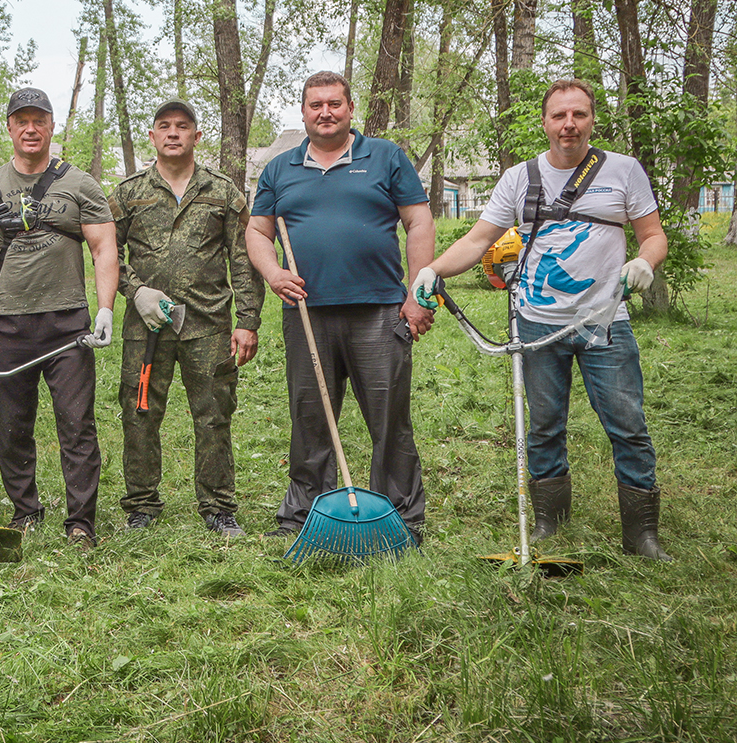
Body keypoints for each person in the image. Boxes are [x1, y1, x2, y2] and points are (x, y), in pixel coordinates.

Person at [410, 78, 672, 560]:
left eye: (578, 114)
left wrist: (645, 262)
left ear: (592, 119)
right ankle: (550, 522)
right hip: (536, 324)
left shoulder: (624, 171)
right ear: (546, 122)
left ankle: (642, 535)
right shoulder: (518, 178)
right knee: (544, 425)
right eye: (559, 115)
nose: (568, 124)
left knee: (627, 423)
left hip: (604, 321)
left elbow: (653, 235)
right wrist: (432, 268)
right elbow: (476, 240)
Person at [245, 71, 435, 543]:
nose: (325, 112)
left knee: (389, 417)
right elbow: (257, 231)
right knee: (309, 418)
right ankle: (305, 514)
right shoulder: (279, 168)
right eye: (315, 105)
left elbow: (418, 221)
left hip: (379, 310)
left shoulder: (386, 156)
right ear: (304, 111)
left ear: (350, 109)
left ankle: (400, 518)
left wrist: (418, 293)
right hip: (307, 313)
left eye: (334, 103)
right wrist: (273, 272)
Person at [0, 87, 119, 548]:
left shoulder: (81, 185)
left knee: (76, 426)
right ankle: (25, 512)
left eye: (39, 120)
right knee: (13, 428)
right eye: (21, 121)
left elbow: (103, 247)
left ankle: (80, 523)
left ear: (52, 126)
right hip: (7, 324)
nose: (30, 129)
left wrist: (107, 307)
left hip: (67, 325)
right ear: (9, 128)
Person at [110, 99, 262, 538]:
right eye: (164, 126)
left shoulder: (223, 192)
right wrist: (134, 291)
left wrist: (247, 320)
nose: (173, 133)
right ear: (153, 137)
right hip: (146, 328)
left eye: (182, 126)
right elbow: (106, 253)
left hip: (208, 324)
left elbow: (243, 259)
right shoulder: (128, 193)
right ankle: (141, 504)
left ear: (197, 136)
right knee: (139, 412)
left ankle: (217, 507)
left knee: (214, 414)